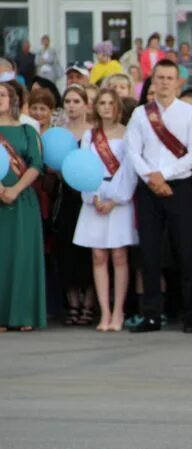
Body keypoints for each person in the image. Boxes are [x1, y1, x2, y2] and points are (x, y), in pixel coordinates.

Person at [125, 59, 192, 333]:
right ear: (153, 80)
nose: (165, 82)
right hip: (148, 189)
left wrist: (165, 174)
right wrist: (152, 177)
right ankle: (151, 315)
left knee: (185, 252)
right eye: (160, 78)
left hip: (179, 188)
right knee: (149, 254)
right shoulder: (139, 114)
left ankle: (190, 316)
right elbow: (133, 152)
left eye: (170, 78)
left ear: (178, 82)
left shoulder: (190, 113)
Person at [72, 88, 138, 332]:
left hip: (119, 199)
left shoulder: (129, 133)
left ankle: (119, 310)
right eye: (102, 103)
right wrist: (95, 196)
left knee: (119, 256)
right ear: (96, 106)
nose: (107, 107)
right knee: (98, 256)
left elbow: (130, 170)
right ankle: (105, 311)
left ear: (117, 106)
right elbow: (83, 167)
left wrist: (115, 199)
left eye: (111, 103)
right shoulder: (90, 136)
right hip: (95, 197)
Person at [0, 82, 46, 331]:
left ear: (13, 99)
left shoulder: (28, 131)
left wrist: (15, 190)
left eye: (3, 95)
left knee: (23, 256)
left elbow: (36, 165)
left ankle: (24, 314)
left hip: (23, 200)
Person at [55, 86, 95, 326]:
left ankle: (89, 303)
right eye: (68, 101)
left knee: (88, 251)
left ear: (86, 104)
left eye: (76, 101)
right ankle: (73, 302)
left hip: (88, 197)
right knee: (66, 250)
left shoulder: (92, 133)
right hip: (66, 197)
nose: (71, 105)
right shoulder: (57, 134)